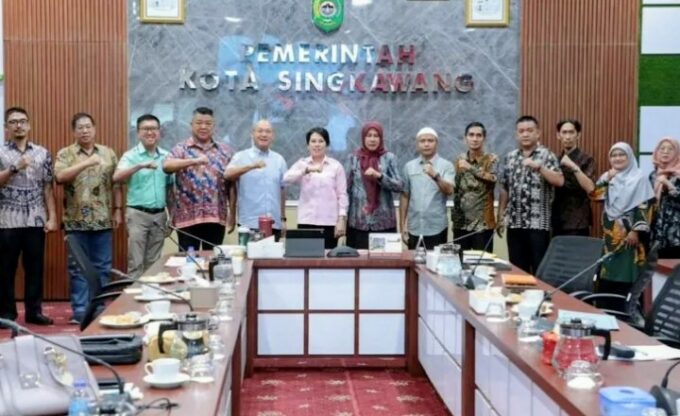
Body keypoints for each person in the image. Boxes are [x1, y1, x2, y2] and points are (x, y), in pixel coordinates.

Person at [55, 112, 122, 324]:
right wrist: (86, 163)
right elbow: (60, 177)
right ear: (74, 131)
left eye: (88, 127)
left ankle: (99, 308)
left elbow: (117, 184)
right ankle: (80, 310)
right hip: (75, 222)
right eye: (80, 127)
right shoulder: (65, 154)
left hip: (103, 220)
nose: (85, 131)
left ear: (94, 129)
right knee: (77, 268)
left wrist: (118, 210)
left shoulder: (108, 153)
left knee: (102, 267)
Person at [0, 107, 57, 325]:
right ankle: (7, 314)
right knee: (5, 269)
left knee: (35, 268)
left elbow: (47, 187)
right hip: (7, 220)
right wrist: (14, 168)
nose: (19, 125)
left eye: (23, 121)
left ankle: (34, 312)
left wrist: (52, 217)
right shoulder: (1, 152)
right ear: (6, 127)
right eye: (13, 122)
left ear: (29, 125)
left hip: (36, 218)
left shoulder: (42, 153)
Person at [497, 115, 564, 274]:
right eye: (521, 131)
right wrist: (500, 214)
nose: (525, 134)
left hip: (538, 224)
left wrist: (539, 168)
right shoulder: (510, 157)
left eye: (529, 130)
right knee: (517, 270)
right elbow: (505, 188)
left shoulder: (547, 155)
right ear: (516, 134)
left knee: (539, 270)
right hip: (514, 223)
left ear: (538, 133)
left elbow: (560, 181)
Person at [163, 107, 235, 251]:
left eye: (208, 123)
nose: (203, 127)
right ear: (191, 125)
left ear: (214, 126)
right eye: (199, 123)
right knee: (188, 259)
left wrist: (232, 213)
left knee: (213, 258)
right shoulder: (181, 149)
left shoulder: (225, 151)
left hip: (215, 218)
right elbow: (167, 166)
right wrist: (193, 161)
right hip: (187, 219)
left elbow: (232, 185)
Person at [593, 142, 654, 311]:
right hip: (610, 235)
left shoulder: (639, 178)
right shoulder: (609, 177)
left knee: (626, 273)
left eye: (622, 155)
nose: (617, 158)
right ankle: (606, 310)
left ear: (630, 157)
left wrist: (635, 231)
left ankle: (625, 312)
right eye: (614, 155)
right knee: (608, 270)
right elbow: (595, 196)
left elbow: (645, 206)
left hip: (630, 237)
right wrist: (606, 179)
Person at [113, 114, 172, 278]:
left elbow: (170, 189)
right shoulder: (131, 156)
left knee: (155, 263)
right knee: (136, 262)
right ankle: (134, 294)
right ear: (138, 133)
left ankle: (151, 294)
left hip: (160, 215)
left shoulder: (167, 157)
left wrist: (172, 215)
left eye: (154, 129)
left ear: (159, 132)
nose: (150, 132)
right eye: (146, 129)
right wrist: (139, 166)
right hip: (137, 214)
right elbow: (116, 177)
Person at [283, 127, 348, 249]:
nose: (317, 145)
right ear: (308, 145)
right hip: (306, 221)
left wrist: (341, 219)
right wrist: (306, 170)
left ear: (327, 144)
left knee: (327, 258)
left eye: (321, 141)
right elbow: (285, 179)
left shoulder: (336, 166)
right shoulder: (302, 164)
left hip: (329, 222)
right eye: (313, 141)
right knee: (306, 257)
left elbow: (342, 195)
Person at [224, 120, 287, 240]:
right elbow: (227, 175)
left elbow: (282, 190)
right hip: (249, 224)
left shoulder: (279, 160)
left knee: (274, 253)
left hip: (274, 223)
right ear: (252, 134)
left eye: (268, 131)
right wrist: (251, 166)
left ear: (273, 136)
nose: (264, 134)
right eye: (260, 131)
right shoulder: (240, 156)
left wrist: (283, 219)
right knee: (249, 253)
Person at [345, 121, 404, 249]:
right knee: (358, 260)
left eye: (376, 136)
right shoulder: (353, 158)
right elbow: (345, 189)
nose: (372, 139)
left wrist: (380, 176)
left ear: (381, 138)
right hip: (358, 222)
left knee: (384, 260)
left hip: (384, 223)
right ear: (363, 137)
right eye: (369, 135)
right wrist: (342, 218)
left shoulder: (389, 158)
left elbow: (399, 186)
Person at [400, 127, 454, 250]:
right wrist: (402, 226)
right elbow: (405, 196)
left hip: (437, 228)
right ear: (417, 144)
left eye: (430, 140)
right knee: (414, 261)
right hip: (414, 227)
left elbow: (449, 191)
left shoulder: (446, 165)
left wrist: (436, 176)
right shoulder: (409, 167)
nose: (426, 144)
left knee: (435, 261)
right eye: (422, 141)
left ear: (437, 143)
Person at [451, 122, 497, 252]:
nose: (475, 139)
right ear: (465, 138)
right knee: (459, 261)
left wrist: (470, 167)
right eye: (471, 135)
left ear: (484, 138)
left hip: (482, 225)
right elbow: (455, 187)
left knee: (482, 263)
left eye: (478, 135)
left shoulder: (491, 159)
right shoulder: (459, 160)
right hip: (461, 223)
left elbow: (493, 178)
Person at [552, 119, 596, 236]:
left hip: (578, 221)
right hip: (557, 220)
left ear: (578, 135)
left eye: (571, 132)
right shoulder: (555, 160)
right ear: (558, 135)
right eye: (564, 132)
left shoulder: (587, 159)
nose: (568, 137)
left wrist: (572, 165)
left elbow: (591, 189)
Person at [649, 137, 680, 258]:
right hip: (657, 231)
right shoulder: (653, 175)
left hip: (676, 232)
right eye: (662, 149)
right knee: (659, 268)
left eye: (670, 149)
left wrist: (669, 185)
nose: (665, 152)